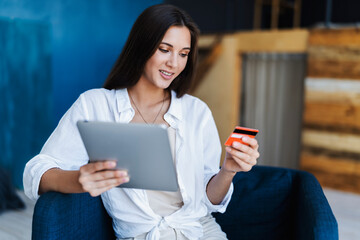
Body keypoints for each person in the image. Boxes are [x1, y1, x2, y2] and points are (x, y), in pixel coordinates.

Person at [23, 4, 259, 240]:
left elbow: (209, 201)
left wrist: (228, 171)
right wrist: (78, 180)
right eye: (165, 49)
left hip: (200, 231)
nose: (174, 63)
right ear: (141, 46)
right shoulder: (95, 105)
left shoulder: (197, 112)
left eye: (183, 54)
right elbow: (36, 171)